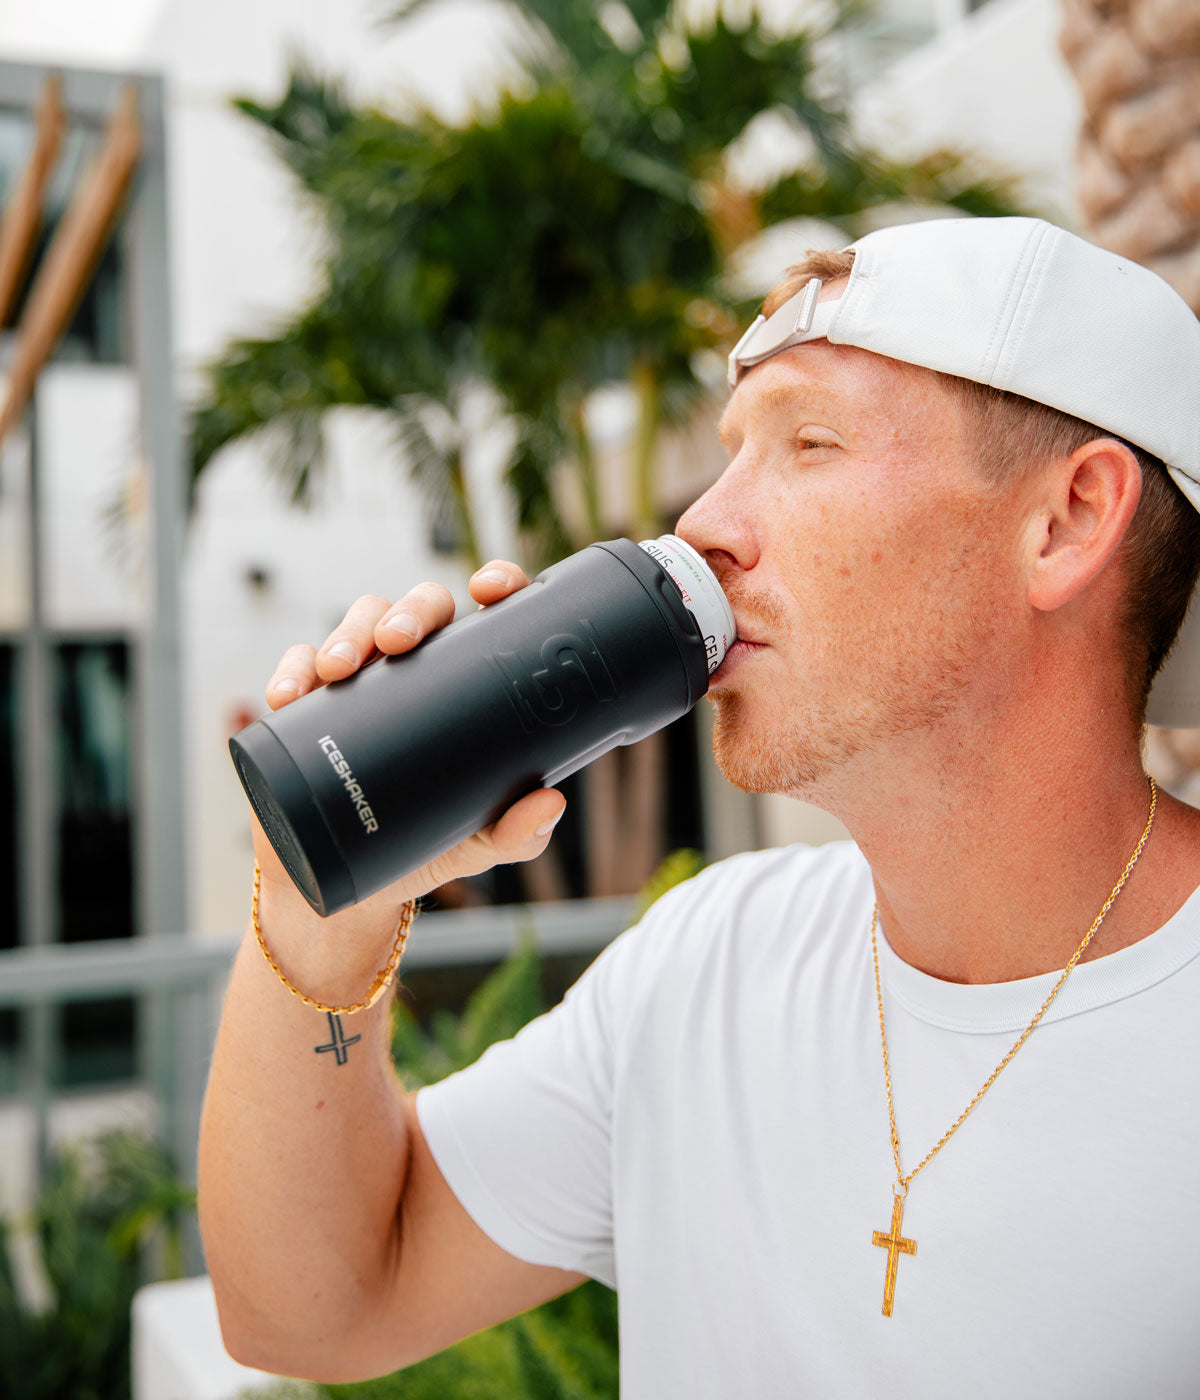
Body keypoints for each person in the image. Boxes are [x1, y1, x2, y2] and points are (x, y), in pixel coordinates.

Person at [198, 216, 1200, 1398]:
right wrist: (324, 896)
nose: (702, 523)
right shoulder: (706, 958)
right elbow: (311, 1311)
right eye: (731, 452)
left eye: (809, 442)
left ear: (1068, 520)